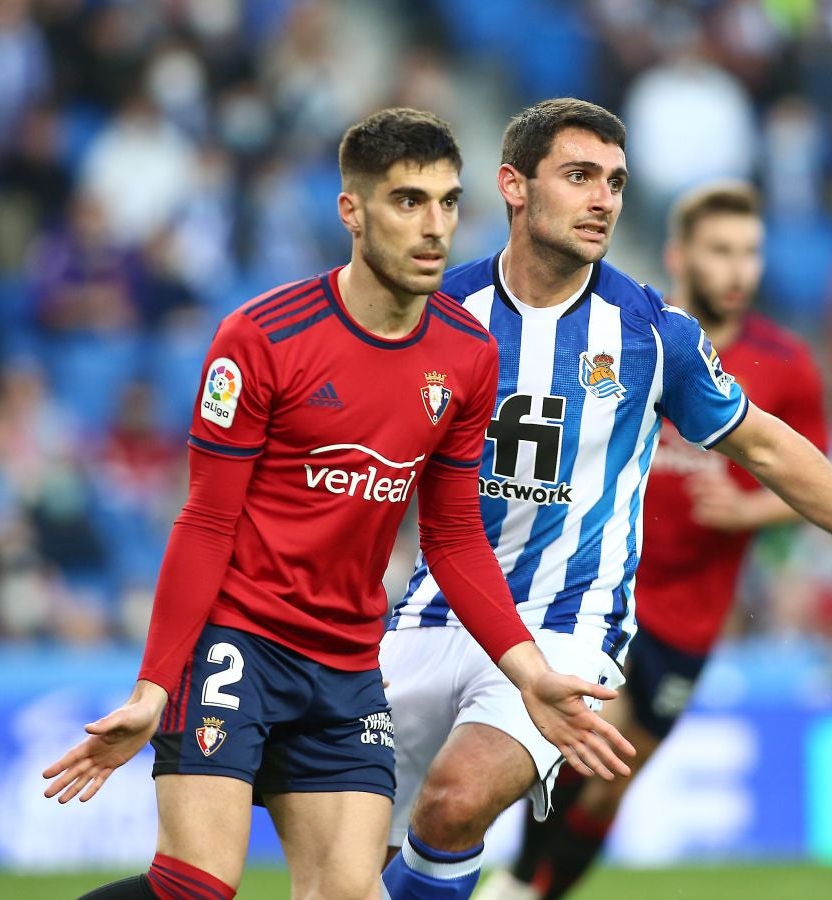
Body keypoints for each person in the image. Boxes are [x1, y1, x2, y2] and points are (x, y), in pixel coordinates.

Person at [380, 98, 832, 900]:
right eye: (579, 176)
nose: (603, 198)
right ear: (514, 188)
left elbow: (769, 446)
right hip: (435, 612)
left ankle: (523, 886)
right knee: (345, 850)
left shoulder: (649, 332)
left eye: (616, 182)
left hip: (572, 624)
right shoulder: (437, 311)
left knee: (458, 801)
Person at [41, 108, 633, 900]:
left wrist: (527, 673)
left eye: (449, 203)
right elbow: (206, 521)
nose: (434, 229)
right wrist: (152, 686)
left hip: (348, 665)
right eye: (407, 201)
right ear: (352, 211)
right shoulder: (262, 337)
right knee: (196, 890)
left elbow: (454, 538)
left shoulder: (464, 354)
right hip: (237, 644)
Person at [481, 180, 829, 900]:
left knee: (612, 782)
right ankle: (511, 880)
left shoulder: (786, 365)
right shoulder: (632, 336)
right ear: (679, 254)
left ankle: (529, 887)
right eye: (720, 251)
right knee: (575, 745)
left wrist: (743, 512)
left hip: (691, 614)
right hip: (598, 588)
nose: (738, 270)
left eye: (750, 253)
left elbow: (808, 483)